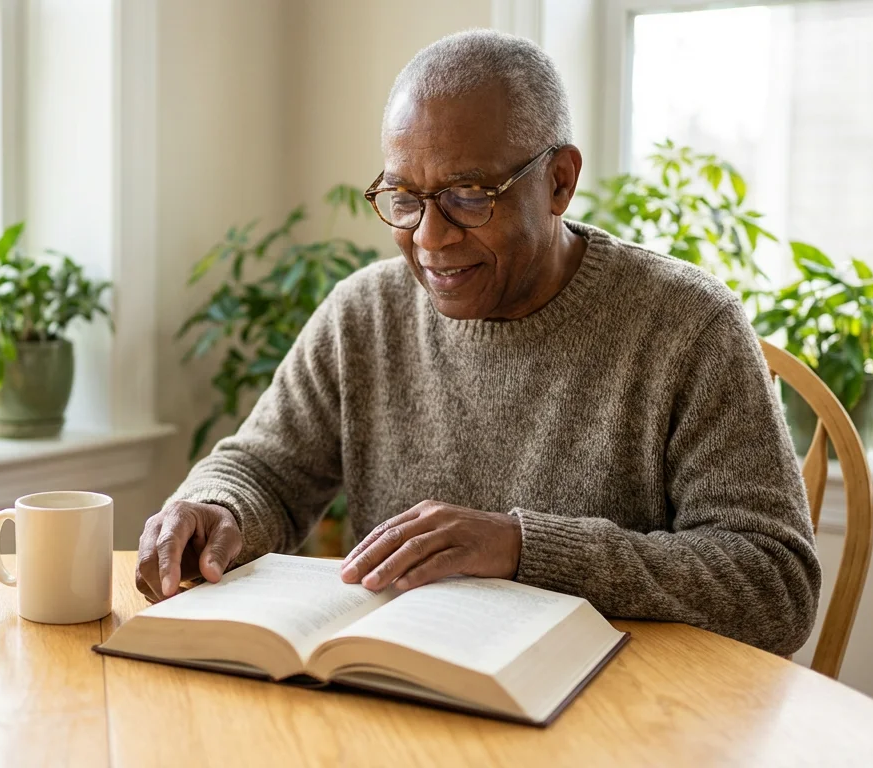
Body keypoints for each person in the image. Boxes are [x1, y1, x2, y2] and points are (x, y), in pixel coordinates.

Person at [137, 29, 819, 655]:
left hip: (623, 721)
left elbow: (773, 584)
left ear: (559, 182)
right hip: (408, 694)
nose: (430, 238)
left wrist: (525, 547)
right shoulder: (365, 314)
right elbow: (263, 471)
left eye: (469, 194)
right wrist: (213, 508)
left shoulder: (686, 325)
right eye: (403, 197)